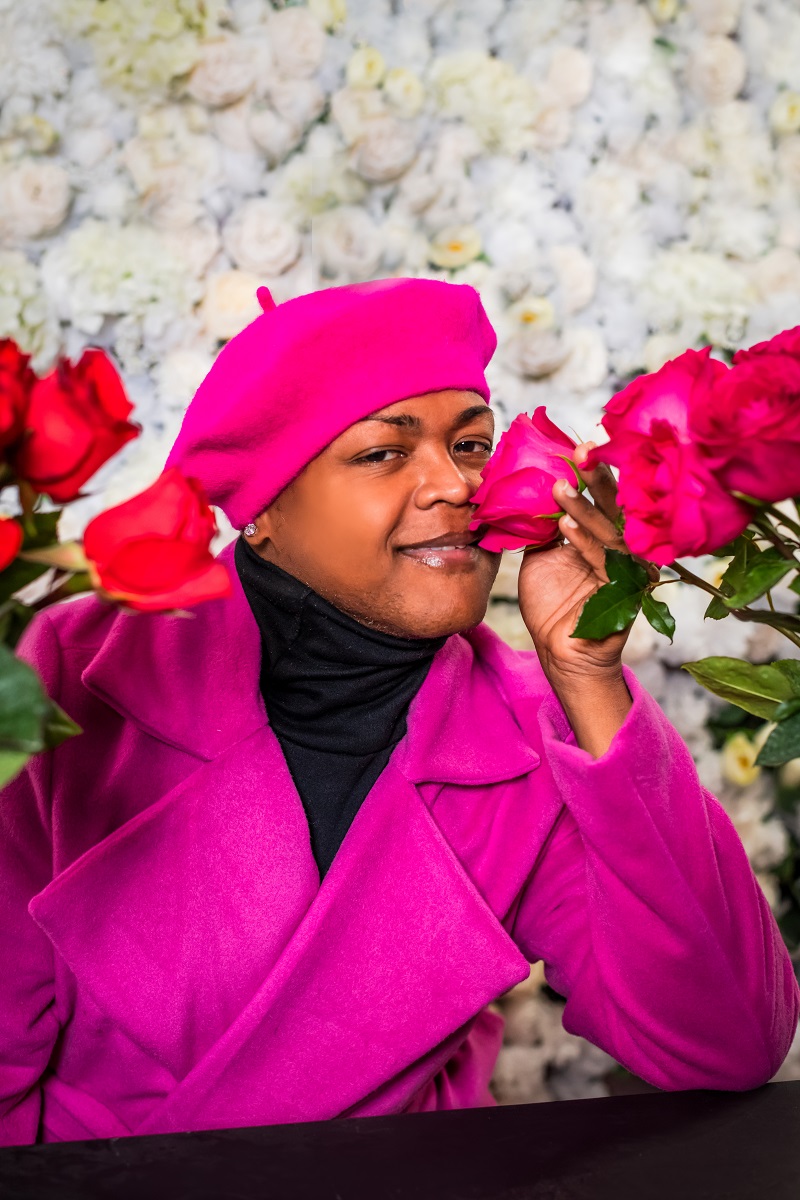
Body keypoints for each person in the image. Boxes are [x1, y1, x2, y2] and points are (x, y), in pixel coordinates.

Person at [0, 278, 797, 1146]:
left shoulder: (531, 732)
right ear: (262, 509)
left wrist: (590, 678)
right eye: (385, 452)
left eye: (472, 444)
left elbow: (726, 1043)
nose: (455, 483)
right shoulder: (72, 670)